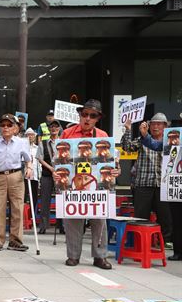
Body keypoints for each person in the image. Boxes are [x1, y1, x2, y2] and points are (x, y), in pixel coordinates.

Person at [57, 99, 119, 269]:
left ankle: (100, 257)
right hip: (73, 183)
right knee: (72, 220)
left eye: (92, 116)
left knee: (99, 220)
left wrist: (116, 170)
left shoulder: (103, 136)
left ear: (97, 118)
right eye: (84, 114)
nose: (87, 118)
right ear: (80, 115)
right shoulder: (67, 134)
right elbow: (60, 159)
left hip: (96, 185)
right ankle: (73, 255)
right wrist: (58, 171)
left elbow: (112, 160)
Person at [0, 113, 33, 251]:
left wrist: (29, 168)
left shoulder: (22, 143)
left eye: (9, 125)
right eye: (3, 125)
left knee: (17, 208)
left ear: (15, 128)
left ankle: (15, 241)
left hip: (16, 176)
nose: (5, 128)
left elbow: (28, 159)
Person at [120, 113, 172, 244]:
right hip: (143, 184)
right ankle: (141, 242)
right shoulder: (141, 139)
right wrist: (127, 128)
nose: (155, 126)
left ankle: (165, 243)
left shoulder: (170, 141)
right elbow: (126, 147)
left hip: (163, 185)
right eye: (153, 124)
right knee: (141, 217)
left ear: (165, 126)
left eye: (159, 124)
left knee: (165, 217)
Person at [139, 121, 182, 261]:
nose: (174, 139)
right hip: (175, 185)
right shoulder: (169, 141)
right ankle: (178, 251)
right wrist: (145, 135)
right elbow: (155, 145)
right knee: (176, 218)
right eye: (173, 137)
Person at [36, 119, 64, 234]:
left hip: (61, 175)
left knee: (62, 199)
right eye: (52, 127)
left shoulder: (63, 142)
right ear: (49, 129)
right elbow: (40, 158)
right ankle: (43, 225)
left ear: (59, 129)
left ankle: (62, 226)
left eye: (56, 127)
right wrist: (51, 168)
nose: (54, 129)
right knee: (45, 200)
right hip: (47, 174)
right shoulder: (43, 142)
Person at [23, 128, 40, 213]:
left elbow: (39, 163)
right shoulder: (22, 147)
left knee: (34, 196)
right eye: (28, 135)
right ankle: (23, 217)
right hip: (24, 176)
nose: (30, 137)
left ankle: (31, 215)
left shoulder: (37, 148)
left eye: (32, 135)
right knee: (23, 196)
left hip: (35, 176)